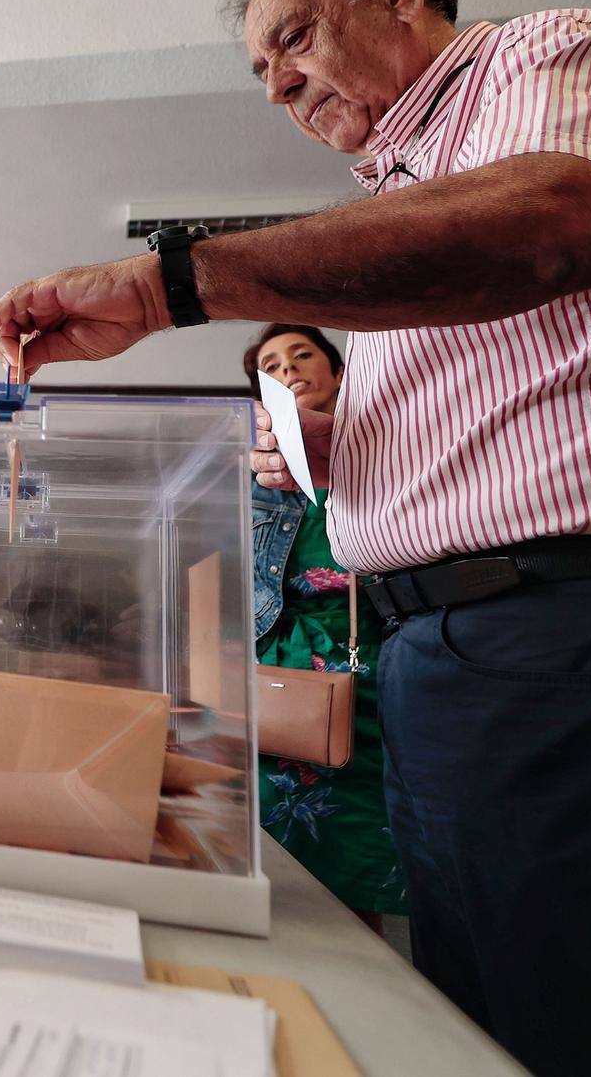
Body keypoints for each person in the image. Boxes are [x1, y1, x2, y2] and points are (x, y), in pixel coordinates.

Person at [0, 0, 591, 1077]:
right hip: (457, 658)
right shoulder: (400, 201)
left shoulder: (553, 55)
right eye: (260, 70)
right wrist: (338, 443)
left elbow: (549, 224)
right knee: (488, 1028)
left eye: (293, 38)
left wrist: (170, 286)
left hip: (590, 639)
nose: (276, 86)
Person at [243, 324, 403, 931]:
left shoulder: (392, 452)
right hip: (276, 674)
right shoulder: (257, 479)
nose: (289, 367)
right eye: (272, 364)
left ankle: (360, 981)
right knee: (269, 856)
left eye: (303, 354)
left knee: (357, 842)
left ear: (338, 369)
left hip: (374, 668)